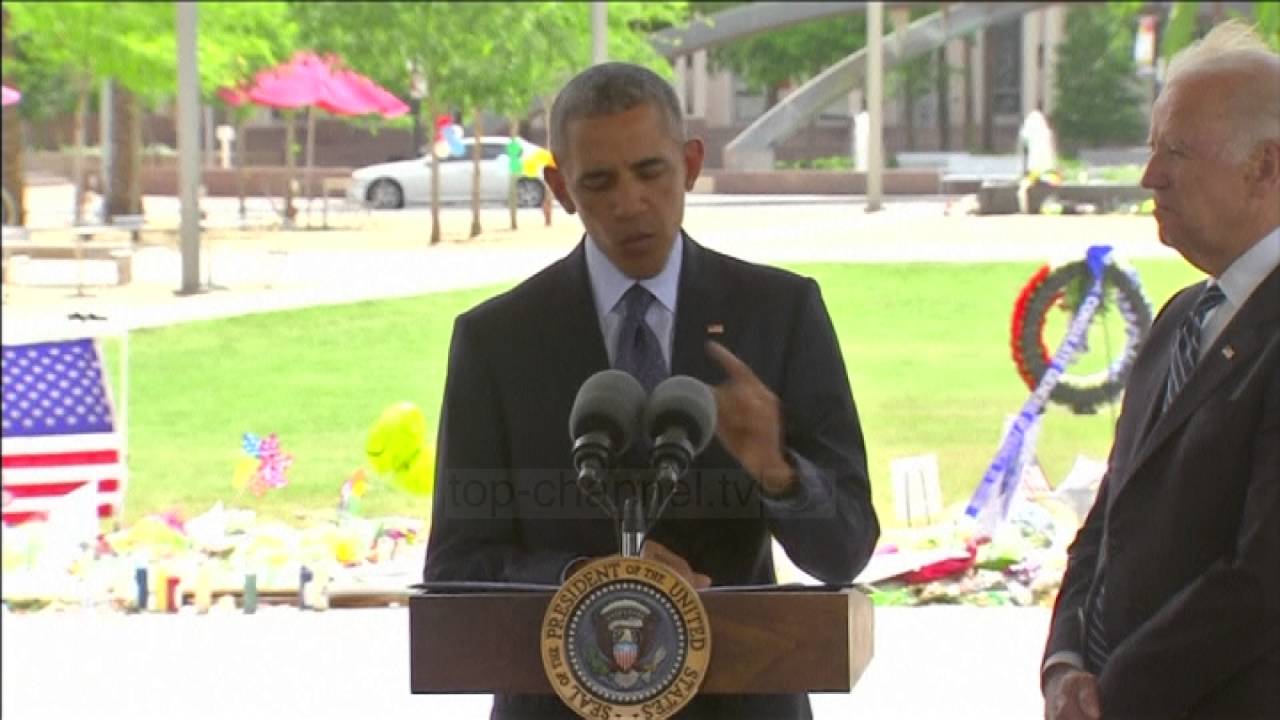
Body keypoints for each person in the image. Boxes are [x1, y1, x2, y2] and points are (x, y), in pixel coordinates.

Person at [423, 62, 880, 719]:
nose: (629, 202)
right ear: (561, 187)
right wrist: (584, 579)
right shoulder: (497, 341)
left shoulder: (779, 313)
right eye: (599, 182)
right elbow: (455, 566)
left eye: (650, 172)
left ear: (690, 165)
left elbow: (846, 550)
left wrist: (778, 473)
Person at [1042, 20, 1280, 720]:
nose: (1150, 176)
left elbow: (1262, 579)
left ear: (1265, 167)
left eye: (1176, 151)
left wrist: (1111, 695)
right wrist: (1065, 662)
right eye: (1152, 148)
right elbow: (1111, 517)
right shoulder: (1182, 318)